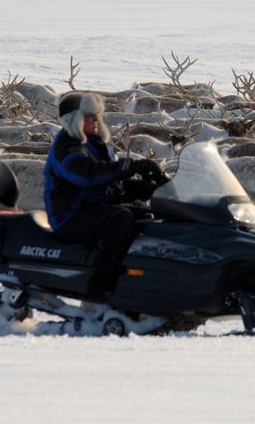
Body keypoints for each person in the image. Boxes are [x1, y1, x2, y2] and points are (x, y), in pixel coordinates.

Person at [44, 91, 168, 297]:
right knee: (120, 219)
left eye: (97, 114)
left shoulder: (95, 144)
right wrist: (130, 166)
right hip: (69, 217)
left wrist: (152, 190)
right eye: (89, 115)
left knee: (147, 218)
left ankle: (142, 281)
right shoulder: (67, 147)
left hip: (92, 208)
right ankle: (101, 287)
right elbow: (87, 175)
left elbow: (110, 184)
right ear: (74, 119)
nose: (95, 119)